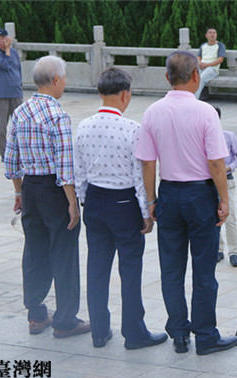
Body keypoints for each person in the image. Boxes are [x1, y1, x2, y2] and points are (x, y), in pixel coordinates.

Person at [135, 51, 237, 356]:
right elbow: (216, 164)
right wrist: (224, 199)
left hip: (169, 194)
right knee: (204, 271)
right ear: (196, 76)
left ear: (167, 77)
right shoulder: (206, 112)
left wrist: (151, 200)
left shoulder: (152, 112)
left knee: (171, 269)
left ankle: (179, 334)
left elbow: (147, 163)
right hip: (200, 195)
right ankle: (205, 336)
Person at [74, 67, 167, 349]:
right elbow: (139, 176)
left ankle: (99, 331)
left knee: (97, 268)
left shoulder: (84, 126)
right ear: (126, 94)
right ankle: (134, 332)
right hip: (124, 203)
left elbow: (78, 172)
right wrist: (146, 211)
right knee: (130, 270)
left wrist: (83, 201)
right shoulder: (132, 129)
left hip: (94, 202)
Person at [4, 55, 90, 338]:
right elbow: (65, 167)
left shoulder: (20, 112)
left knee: (35, 250)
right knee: (64, 252)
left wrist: (19, 191)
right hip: (55, 191)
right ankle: (65, 320)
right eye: (64, 78)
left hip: (30, 188)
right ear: (56, 80)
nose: (64, 83)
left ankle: (37, 316)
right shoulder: (58, 115)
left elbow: (11, 160)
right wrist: (72, 204)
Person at [213, 106, 237, 267]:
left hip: (227, 180)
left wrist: (230, 167)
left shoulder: (228, 136)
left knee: (230, 216)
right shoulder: (200, 137)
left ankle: (234, 252)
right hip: (208, 181)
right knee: (214, 216)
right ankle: (218, 249)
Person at [0, 27, 23, 160]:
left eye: (3, 38)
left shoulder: (14, 52)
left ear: (7, 38)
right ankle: (4, 153)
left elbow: (18, 69)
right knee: (2, 125)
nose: (1, 41)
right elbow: (6, 65)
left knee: (20, 125)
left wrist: (20, 83)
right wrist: (8, 50)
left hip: (16, 92)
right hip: (2, 94)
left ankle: (21, 151)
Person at [194, 28, 226, 99]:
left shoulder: (220, 46)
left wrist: (207, 65)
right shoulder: (203, 45)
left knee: (201, 78)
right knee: (192, 77)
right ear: (206, 35)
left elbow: (220, 59)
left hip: (212, 69)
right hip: (202, 67)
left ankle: (194, 100)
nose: (213, 35)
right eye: (210, 33)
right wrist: (199, 63)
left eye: (214, 33)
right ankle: (186, 98)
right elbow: (199, 56)